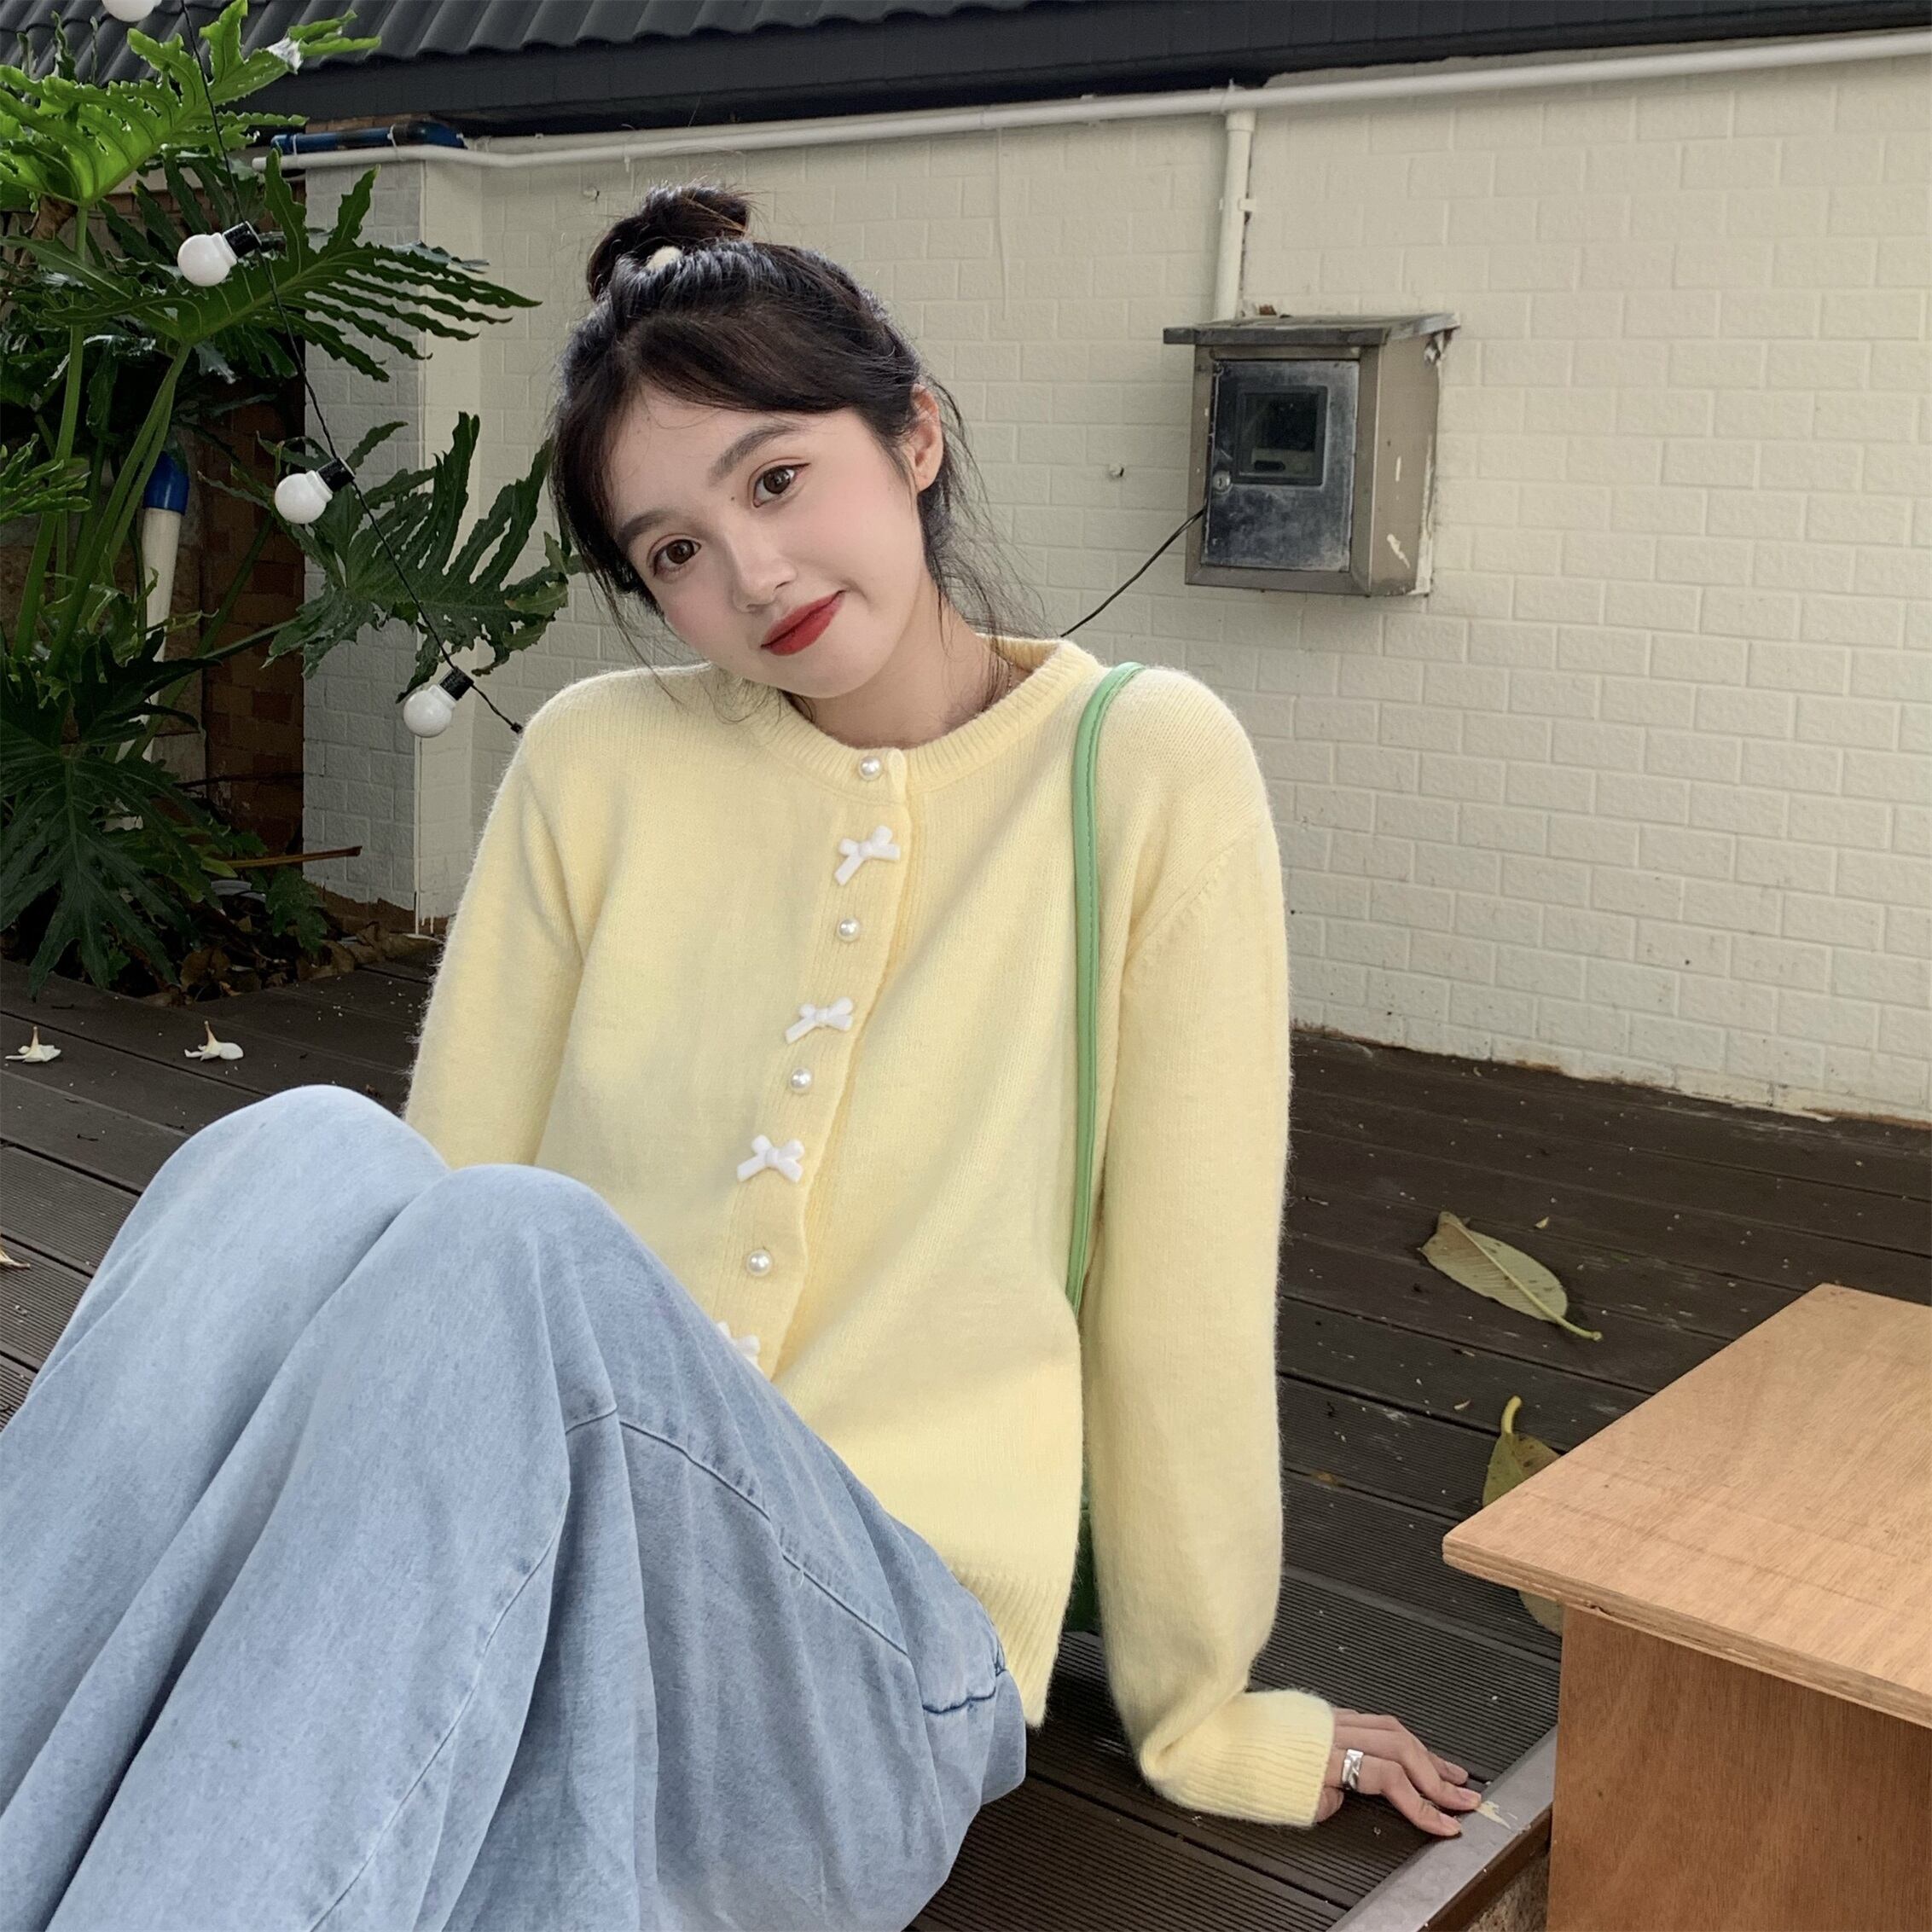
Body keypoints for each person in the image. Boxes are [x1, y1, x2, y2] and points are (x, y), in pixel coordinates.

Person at [0, 180, 1477, 1931]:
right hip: (549, 1594)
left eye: (775, 479)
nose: (749, 573)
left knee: (514, 1241)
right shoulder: (595, 760)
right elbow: (430, 1221)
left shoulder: (1142, 763)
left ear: (911, 433)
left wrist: (1205, 1707)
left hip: (865, 1666)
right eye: (673, 552)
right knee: (299, 1152)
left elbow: (1183, 1294)